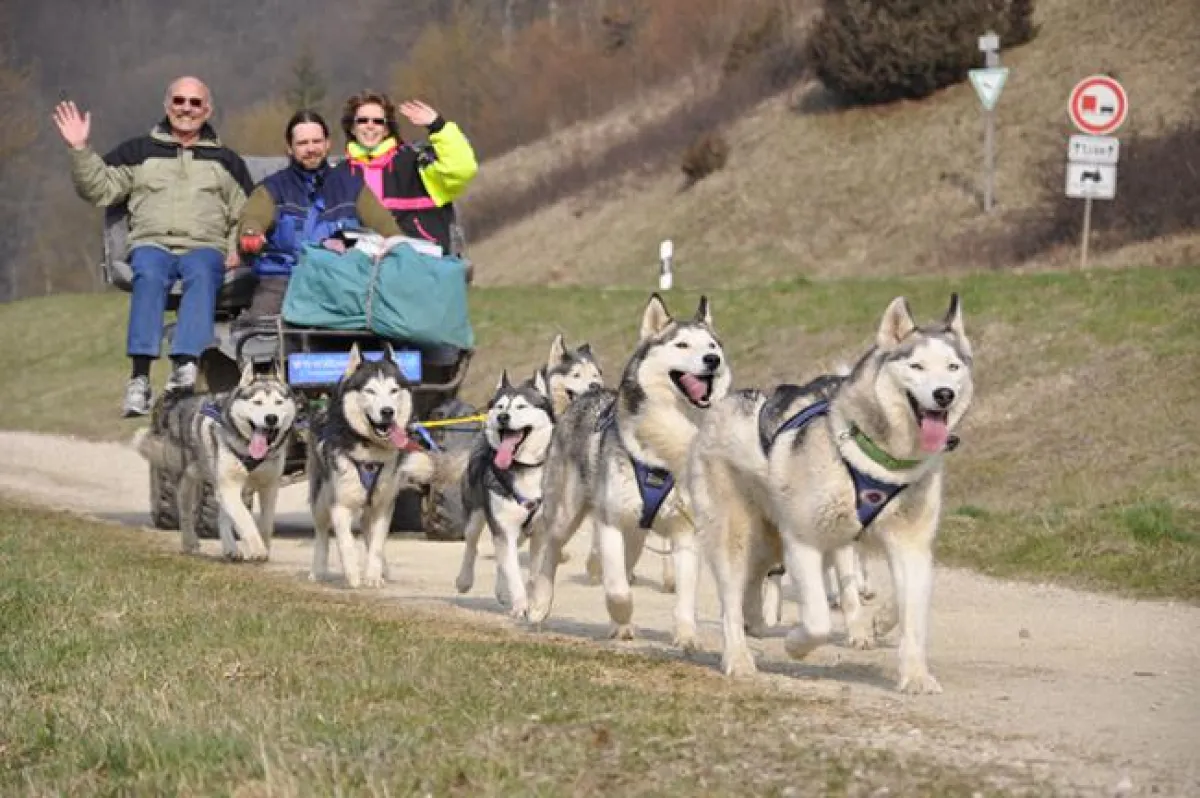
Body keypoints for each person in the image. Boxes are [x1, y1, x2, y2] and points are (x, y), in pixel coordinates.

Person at [53, 76, 254, 417]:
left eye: (194, 103)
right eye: (178, 101)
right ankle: (139, 379)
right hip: (153, 244)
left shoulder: (226, 161)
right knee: (147, 272)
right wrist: (79, 149)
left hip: (204, 246)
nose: (185, 109)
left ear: (207, 110)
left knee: (203, 272)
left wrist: (239, 248)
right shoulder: (138, 152)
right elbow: (99, 189)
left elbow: (246, 211)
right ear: (166, 106)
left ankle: (186, 367)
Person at [236, 110, 402, 319]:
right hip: (283, 280)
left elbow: (387, 228)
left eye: (317, 141)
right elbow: (254, 216)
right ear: (289, 148)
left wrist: (400, 246)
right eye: (303, 143)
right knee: (258, 334)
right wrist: (251, 233)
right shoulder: (271, 189)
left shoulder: (352, 187)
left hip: (340, 281)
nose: (311, 149)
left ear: (327, 144)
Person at [341, 91, 478, 256]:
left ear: (386, 130)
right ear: (352, 128)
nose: (370, 125)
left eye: (378, 121)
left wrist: (438, 126)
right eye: (363, 120)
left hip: (422, 267)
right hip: (363, 272)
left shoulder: (416, 161)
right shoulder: (339, 174)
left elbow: (461, 169)